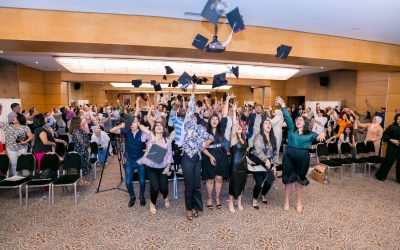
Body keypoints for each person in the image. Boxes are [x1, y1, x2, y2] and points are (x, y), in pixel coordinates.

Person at [275, 96, 325, 213]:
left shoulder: (310, 134)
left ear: (305, 122)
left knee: (299, 180)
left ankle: (299, 202)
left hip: (303, 157)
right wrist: (282, 104)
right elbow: (287, 117)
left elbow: (321, 134)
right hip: (289, 156)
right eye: (297, 120)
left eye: (301, 120)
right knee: (288, 180)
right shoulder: (292, 129)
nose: (298, 121)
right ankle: (286, 201)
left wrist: (322, 131)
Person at [181, 83, 213, 220]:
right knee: (189, 185)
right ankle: (188, 208)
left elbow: (211, 136)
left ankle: (195, 206)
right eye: (192, 114)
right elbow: (191, 105)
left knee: (196, 184)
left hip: (197, 158)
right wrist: (193, 91)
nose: (193, 116)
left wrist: (207, 142)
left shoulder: (201, 128)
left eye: (195, 115)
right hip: (187, 157)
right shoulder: (188, 123)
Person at [110, 103, 146, 208]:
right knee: (128, 182)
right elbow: (111, 131)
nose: (132, 124)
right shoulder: (126, 131)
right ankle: (132, 196)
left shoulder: (142, 132)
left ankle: (142, 196)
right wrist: (120, 125)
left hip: (140, 160)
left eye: (135, 122)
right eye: (131, 122)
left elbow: (150, 134)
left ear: (138, 123)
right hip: (130, 160)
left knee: (142, 181)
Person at [201, 94, 232, 209]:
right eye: (212, 119)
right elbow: (202, 148)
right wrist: (210, 156)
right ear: (209, 121)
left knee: (219, 178)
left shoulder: (221, 128)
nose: (214, 120)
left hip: (221, 155)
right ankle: (209, 198)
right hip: (208, 156)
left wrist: (227, 100)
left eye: (216, 119)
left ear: (218, 122)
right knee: (210, 179)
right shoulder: (204, 131)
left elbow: (224, 114)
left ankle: (217, 198)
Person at [138, 122, 173, 215]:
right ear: (154, 128)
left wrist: (168, 167)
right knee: (155, 187)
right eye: (156, 125)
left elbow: (169, 155)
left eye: (161, 125)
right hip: (150, 166)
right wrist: (150, 133)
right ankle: (152, 203)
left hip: (162, 167)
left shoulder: (167, 141)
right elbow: (140, 126)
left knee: (164, 188)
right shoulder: (149, 137)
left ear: (164, 129)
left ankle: (165, 197)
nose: (158, 127)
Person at [249, 119, 279, 209]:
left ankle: (263, 194)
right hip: (257, 159)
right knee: (259, 182)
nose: (268, 124)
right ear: (262, 126)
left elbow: (275, 153)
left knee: (270, 180)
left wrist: (275, 165)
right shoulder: (258, 136)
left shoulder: (274, 138)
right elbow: (259, 151)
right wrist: (266, 160)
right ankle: (254, 200)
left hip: (268, 161)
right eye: (266, 123)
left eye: (269, 123)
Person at [228, 103, 250, 213]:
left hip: (244, 165)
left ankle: (239, 202)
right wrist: (235, 112)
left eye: (240, 126)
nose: (239, 127)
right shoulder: (233, 139)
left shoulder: (244, 138)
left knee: (242, 184)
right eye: (237, 127)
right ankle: (231, 203)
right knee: (233, 185)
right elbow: (234, 124)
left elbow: (245, 153)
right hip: (234, 166)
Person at [0, 104, 33, 176]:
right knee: (14, 163)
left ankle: (25, 176)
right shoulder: (8, 126)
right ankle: (16, 176)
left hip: (22, 147)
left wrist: (25, 141)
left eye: (15, 117)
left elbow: (30, 136)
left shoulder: (25, 127)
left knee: (23, 162)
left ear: (19, 119)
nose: (13, 118)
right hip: (11, 148)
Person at [375, 114, 400, 182]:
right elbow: (384, 135)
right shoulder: (392, 127)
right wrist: (392, 140)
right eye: (398, 119)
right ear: (396, 119)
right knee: (388, 162)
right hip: (392, 148)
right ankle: (380, 176)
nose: (399, 120)